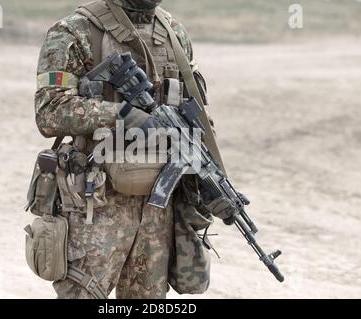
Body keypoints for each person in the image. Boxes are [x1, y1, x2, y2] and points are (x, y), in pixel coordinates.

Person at [34, 0, 235, 299]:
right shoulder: (75, 30)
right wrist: (125, 116)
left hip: (158, 208)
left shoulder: (173, 33)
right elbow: (49, 112)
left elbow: (196, 116)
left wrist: (212, 182)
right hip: (95, 201)